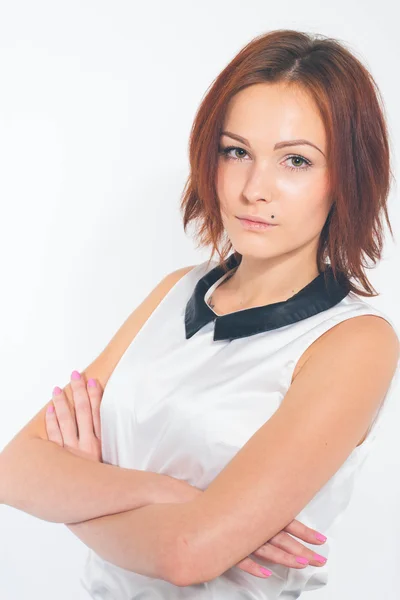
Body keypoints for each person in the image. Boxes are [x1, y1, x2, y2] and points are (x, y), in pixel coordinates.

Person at [2, 28, 400, 599]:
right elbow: (15, 468)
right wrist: (174, 498)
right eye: (236, 152)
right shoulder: (174, 292)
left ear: (348, 176)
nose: (253, 189)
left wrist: (76, 490)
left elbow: (188, 555)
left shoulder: (353, 341)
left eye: (295, 161)